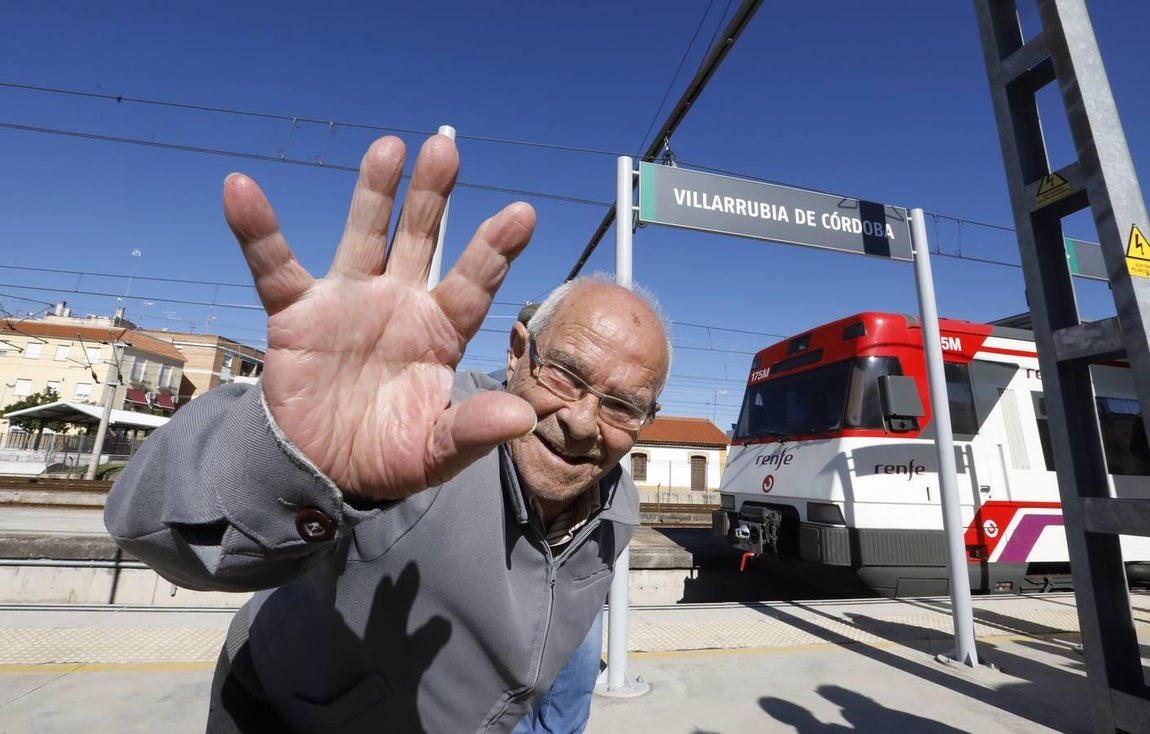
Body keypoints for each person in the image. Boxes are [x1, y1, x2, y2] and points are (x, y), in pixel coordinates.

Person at [103, 133, 672, 734]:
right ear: (517, 354)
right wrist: (290, 462)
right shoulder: (414, 423)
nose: (583, 423)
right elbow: (149, 530)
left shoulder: (618, 506)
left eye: (622, 407)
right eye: (565, 375)